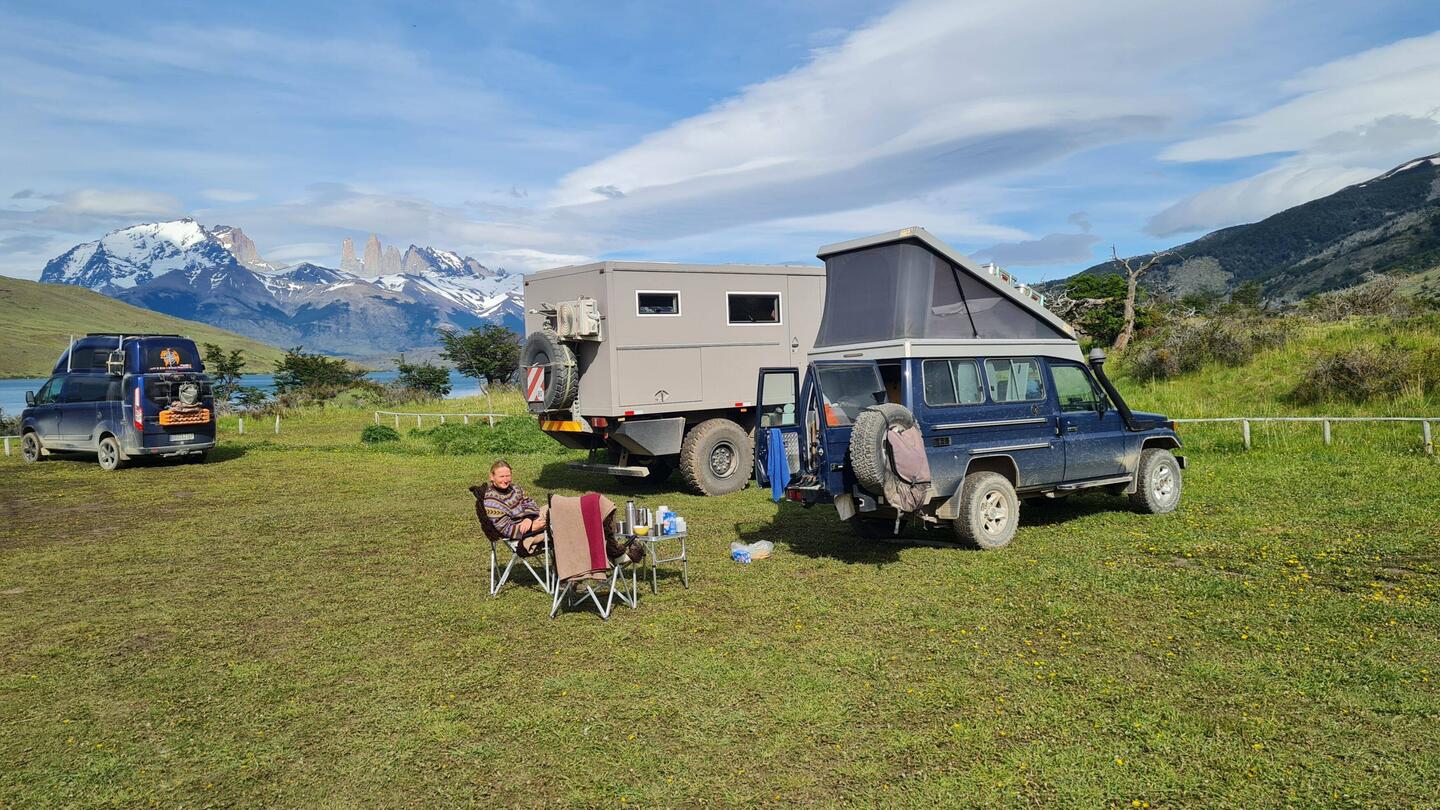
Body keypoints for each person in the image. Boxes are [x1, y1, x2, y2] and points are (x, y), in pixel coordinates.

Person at [483, 459, 547, 554]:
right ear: (492, 477)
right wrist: (531, 528)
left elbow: (530, 503)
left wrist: (528, 518)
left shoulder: (515, 488)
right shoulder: (491, 501)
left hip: (531, 519)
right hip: (522, 533)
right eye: (501, 476)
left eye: (508, 476)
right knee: (558, 524)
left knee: (557, 507)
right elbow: (505, 529)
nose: (505, 480)